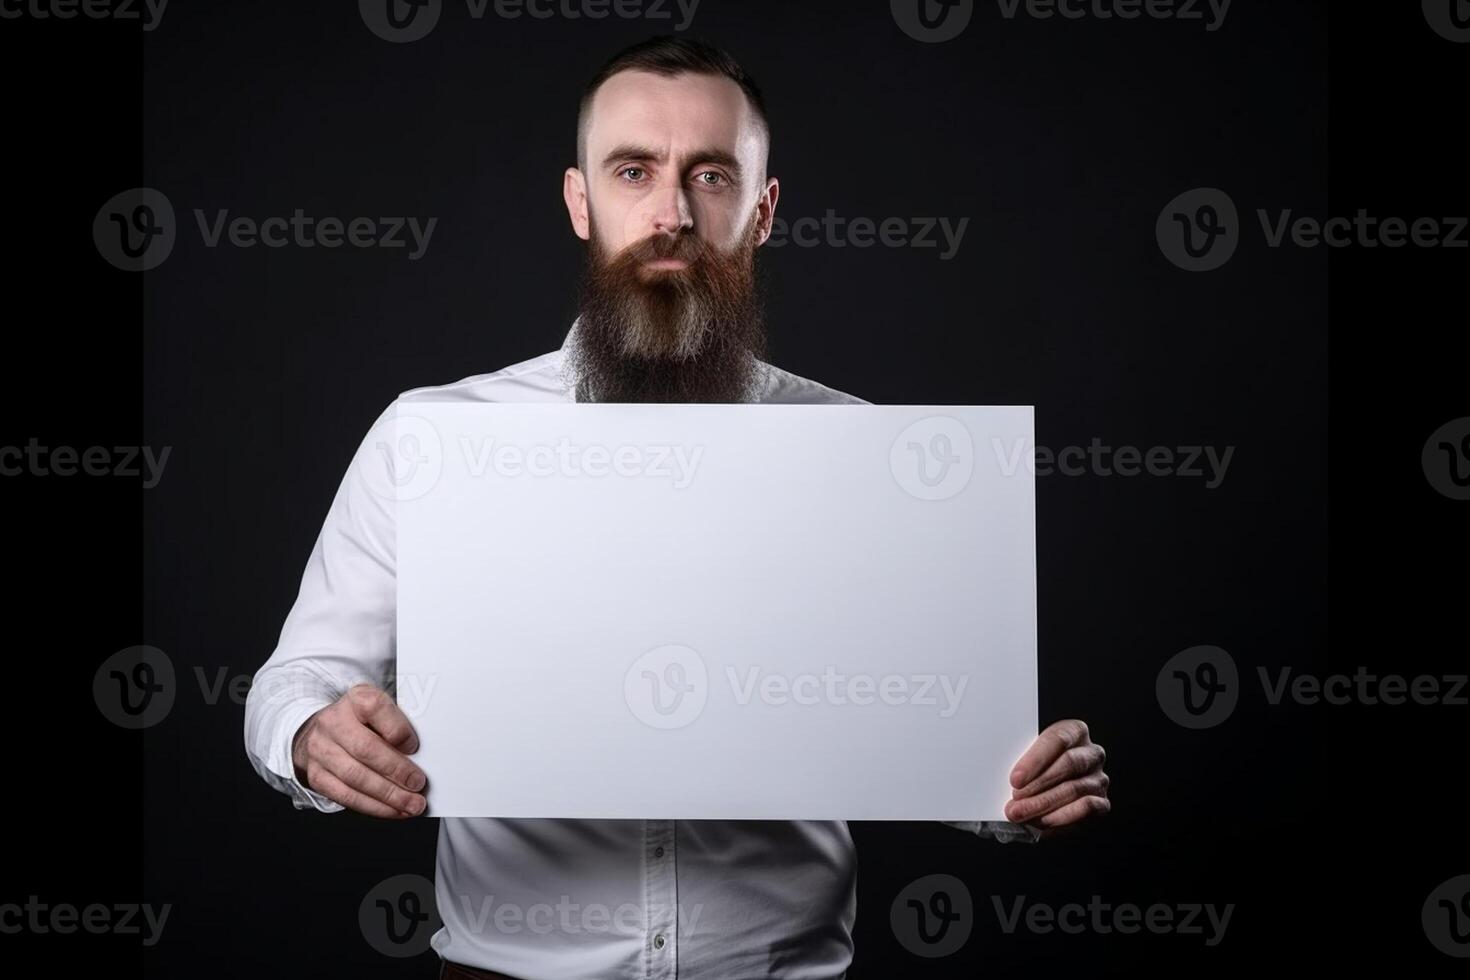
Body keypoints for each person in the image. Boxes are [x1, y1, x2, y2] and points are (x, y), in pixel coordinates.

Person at [243, 35, 1110, 980]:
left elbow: (927, 732)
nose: (670, 214)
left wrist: (1019, 788)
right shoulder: (433, 437)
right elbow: (296, 681)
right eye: (632, 170)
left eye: (710, 176)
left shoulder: (861, 451)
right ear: (581, 201)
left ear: (763, 209)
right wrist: (308, 736)